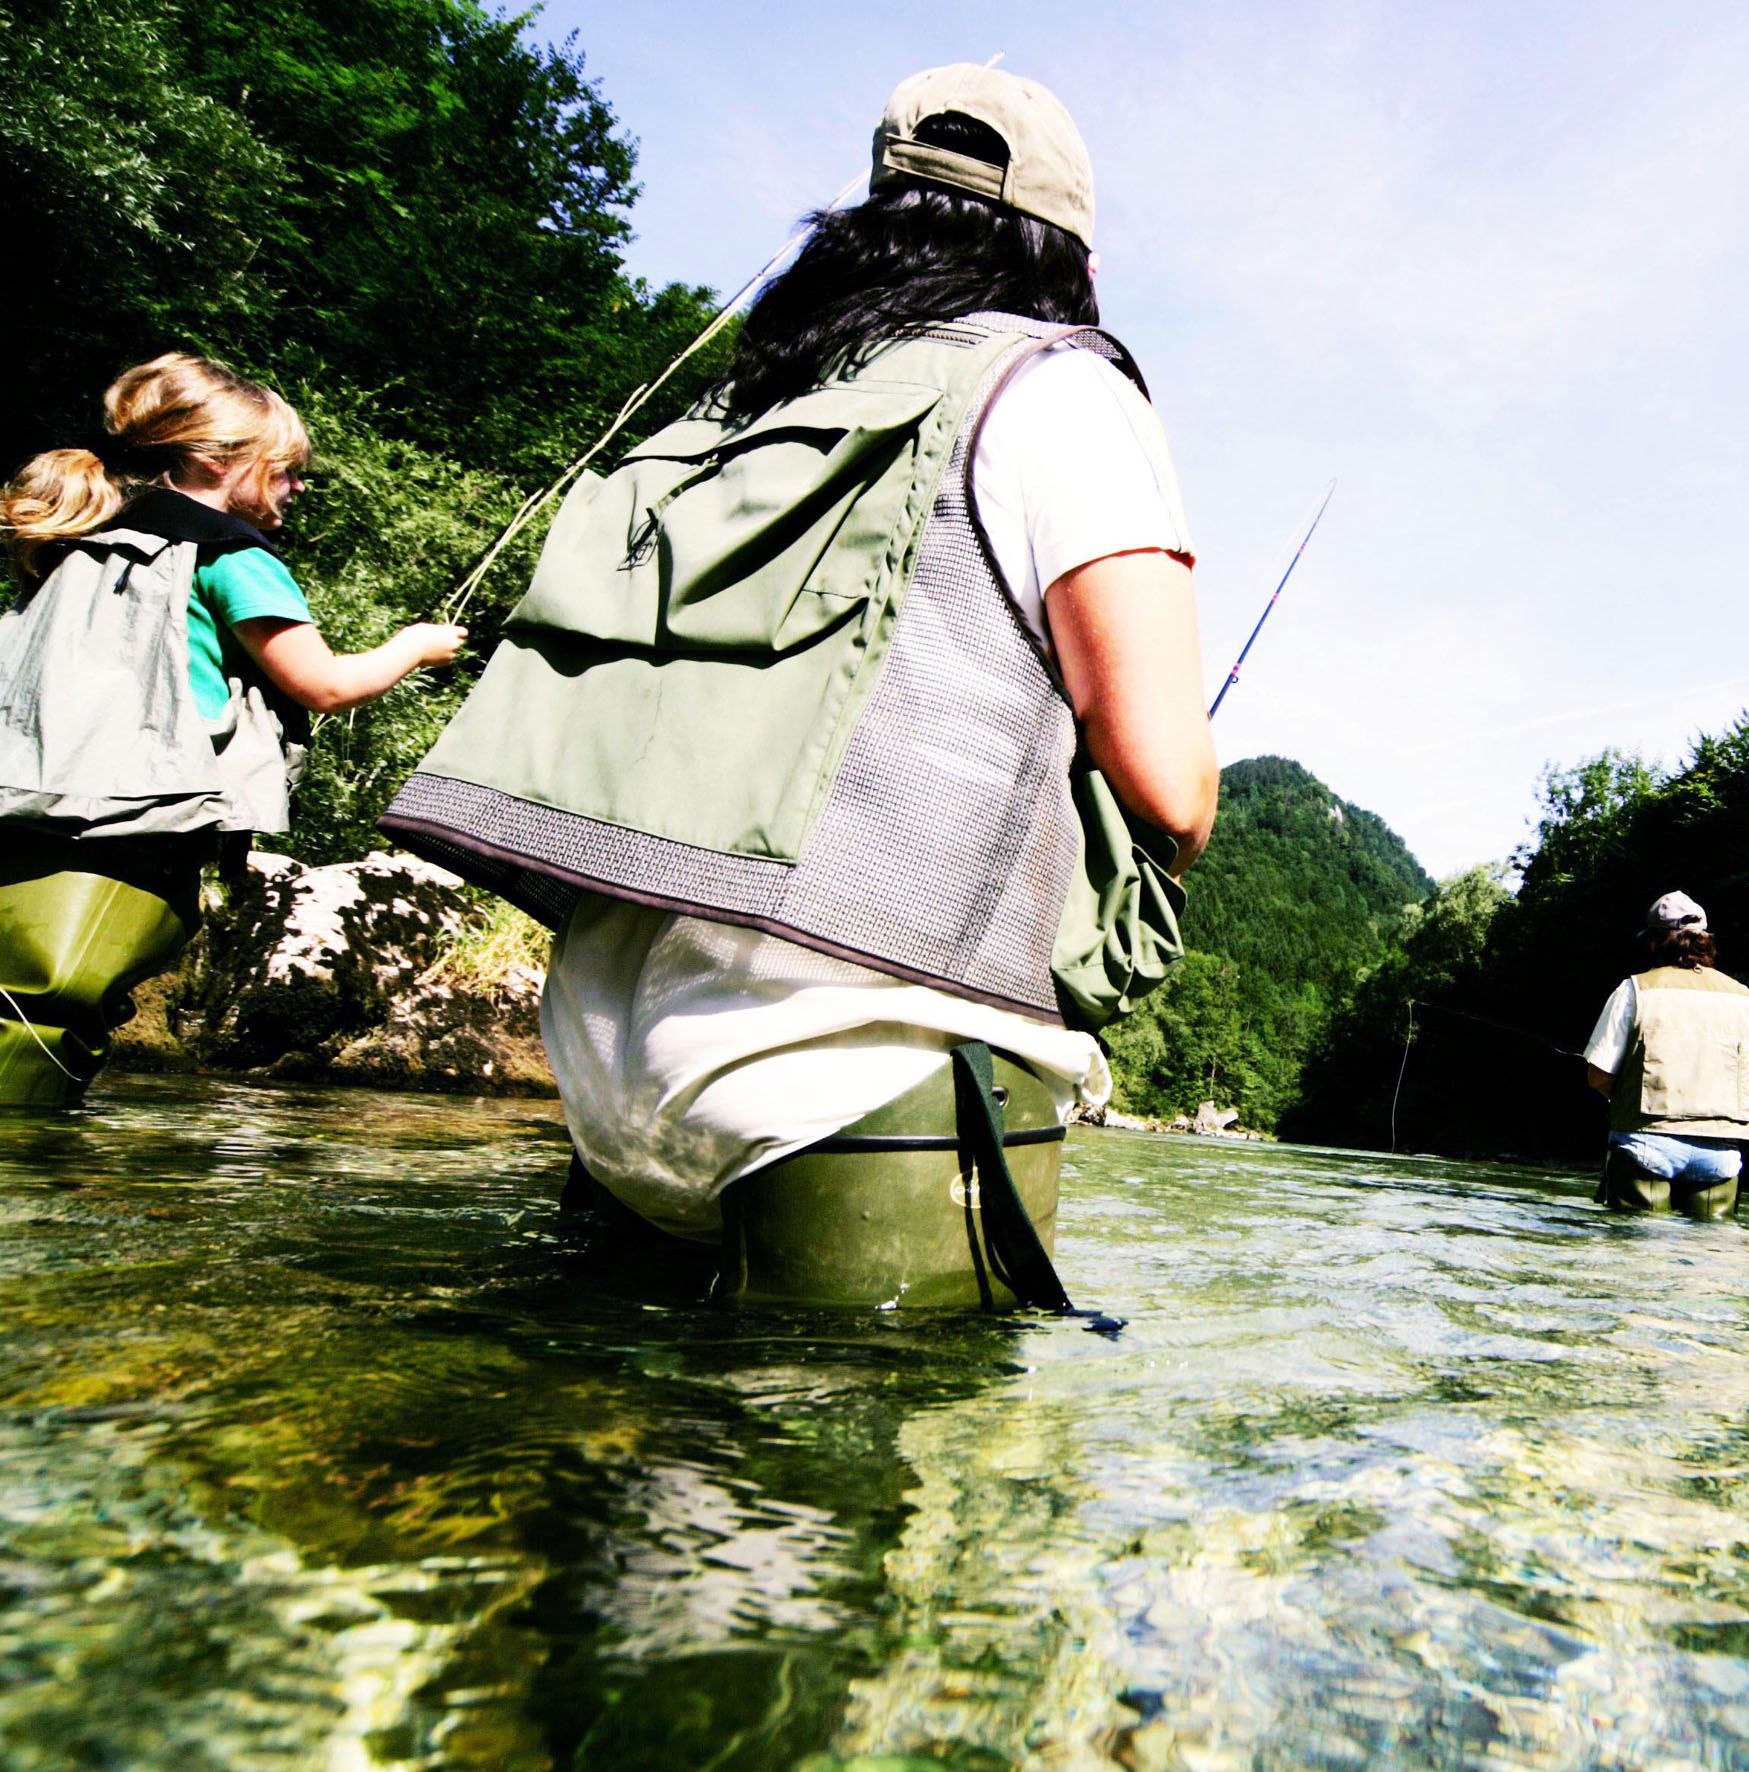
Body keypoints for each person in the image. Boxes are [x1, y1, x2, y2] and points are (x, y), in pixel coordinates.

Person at [381, 65, 1217, 1309]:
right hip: (857, 1065)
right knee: (856, 1475)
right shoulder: (1060, 387)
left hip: (611, 1054)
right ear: (1066, 254)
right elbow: (1169, 779)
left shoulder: (746, 399)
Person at [0, 354, 465, 1105]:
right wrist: (417, 645)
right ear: (216, 461)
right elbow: (324, 686)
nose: (298, 487)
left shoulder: (80, 540)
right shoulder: (230, 555)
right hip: (138, 821)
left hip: (27, 803)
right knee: (57, 1008)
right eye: (284, 470)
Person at [1581, 892, 1749, 1219]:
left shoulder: (1634, 990)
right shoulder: (1745, 998)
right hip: (1722, 1153)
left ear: (1655, 941)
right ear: (1705, 941)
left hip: (1644, 1145)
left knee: (1639, 1253)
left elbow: (1598, 1074)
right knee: (1711, 1256)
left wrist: (1626, 1101)